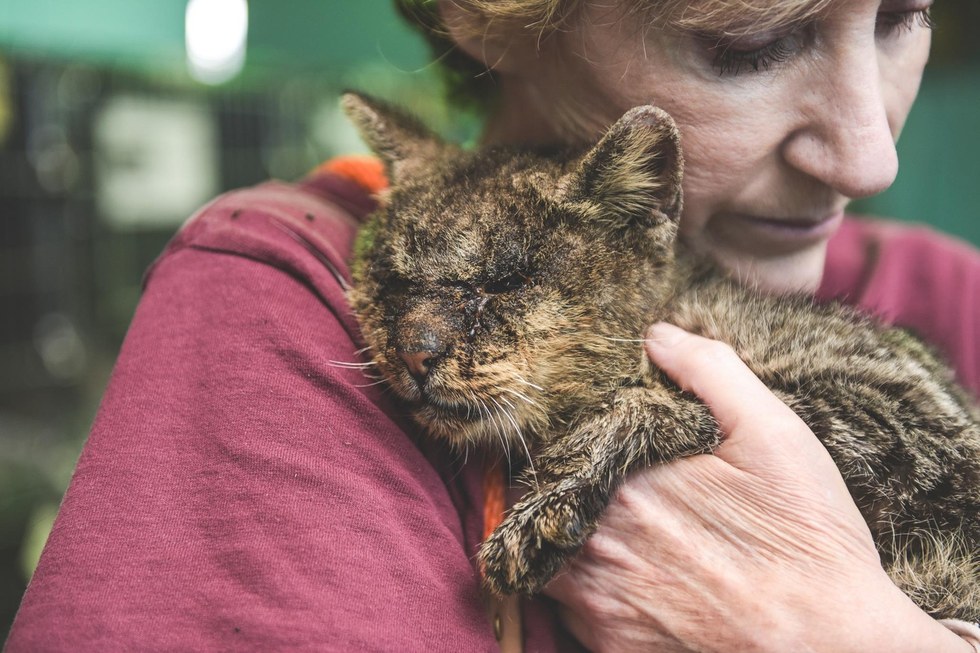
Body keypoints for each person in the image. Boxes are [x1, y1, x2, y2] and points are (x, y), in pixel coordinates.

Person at [5, 0, 979, 651]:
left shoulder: (949, 291)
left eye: (904, 13)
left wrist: (824, 627)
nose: (867, 157)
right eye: (745, 43)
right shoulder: (280, 287)